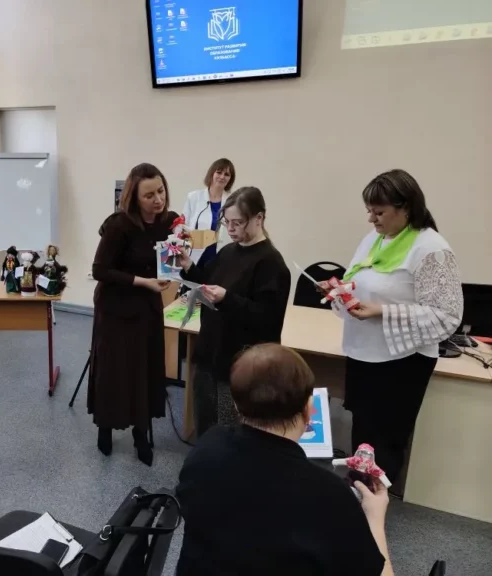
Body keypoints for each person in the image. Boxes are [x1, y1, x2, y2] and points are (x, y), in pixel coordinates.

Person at [176, 344, 392, 576]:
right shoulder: (330, 495)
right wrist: (375, 517)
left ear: (237, 404)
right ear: (309, 409)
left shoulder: (206, 448)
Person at [321, 169, 462, 489]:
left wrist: (382, 311)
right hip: (363, 352)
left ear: (406, 208)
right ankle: (359, 496)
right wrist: (340, 292)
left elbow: (446, 316)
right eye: (369, 211)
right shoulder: (373, 239)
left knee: (384, 443)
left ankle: (373, 503)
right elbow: (358, 283)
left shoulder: (431, 249)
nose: (371, 219)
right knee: (363, 438)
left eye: (379, 212)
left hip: (402, 362)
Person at [179, 187, 291, 436]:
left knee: (230, 432)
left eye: (237, 223)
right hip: (210, 352)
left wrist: (227, 298)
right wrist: (188, 266)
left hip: (238, 363)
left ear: (259, 218)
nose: (230, 229)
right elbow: (208, 283)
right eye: (226, 222)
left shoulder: (271, 263)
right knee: (205, 425)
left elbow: (268, 320)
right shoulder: (228, 251)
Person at [87, 163, 178, 466]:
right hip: (115, 309)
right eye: (149, 195)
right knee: (114, 371)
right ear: (134, 198)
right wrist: (143, 281)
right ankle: (105, 427)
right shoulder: (119, 225)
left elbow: (169, 260)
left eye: (160, 191)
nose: (158, 199)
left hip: (147, 308)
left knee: (144, 370)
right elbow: (100, 270)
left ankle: (141, 433)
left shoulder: (168, 222)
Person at [180, 158, 236, 265]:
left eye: (226, 174)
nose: (222, 177)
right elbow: (182, 226)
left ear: (230, 179)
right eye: (219, 172)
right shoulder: (194, 197)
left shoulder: (233, 201)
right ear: (212, 173)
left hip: (220, 258)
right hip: (194, 257)